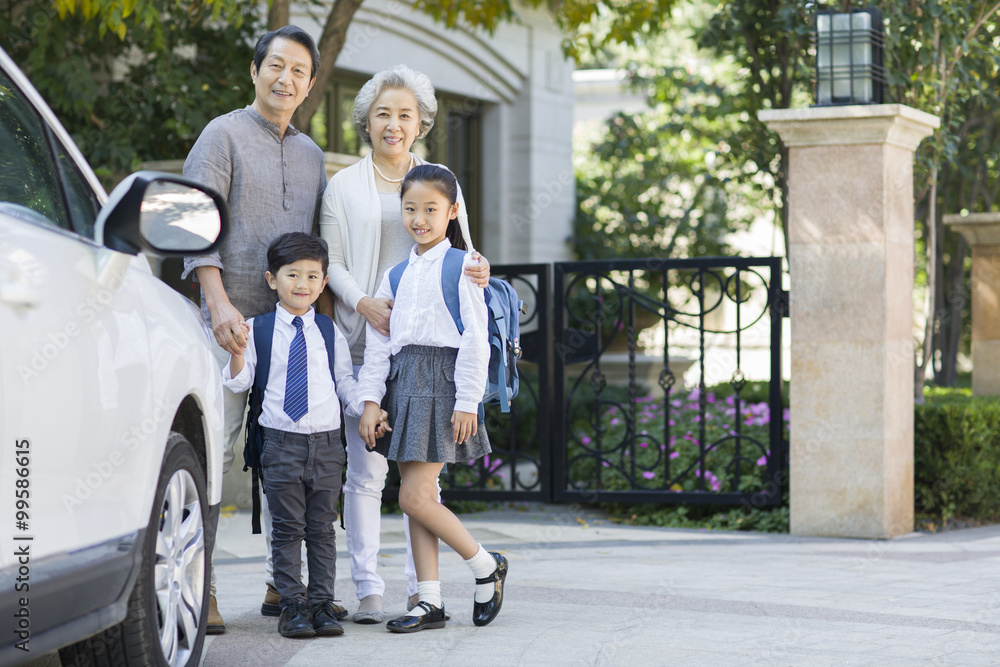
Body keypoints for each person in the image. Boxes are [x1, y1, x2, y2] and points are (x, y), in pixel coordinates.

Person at [319, 64, 490, 624]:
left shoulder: (440, 184)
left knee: (417, 488)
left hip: (435, 365)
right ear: (366, 121)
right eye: (382, 114)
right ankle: (382, 587)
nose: (393, 124)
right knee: (371, 477)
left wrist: (481, 269)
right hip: (373, 340)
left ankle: (446, 583)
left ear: (420, 124)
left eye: (404, 115)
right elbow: (334, 262)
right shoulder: (343, 186)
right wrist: (364, 302)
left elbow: (468, 262)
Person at [181, 25, 332, 632]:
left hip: (291, 335)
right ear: (254, 70)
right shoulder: (222, 135)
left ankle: (283, 585)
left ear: (310, 83)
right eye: (275, 65)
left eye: (298, 70)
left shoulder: (313, 154)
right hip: (229, 329)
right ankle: (201, 586)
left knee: (287, 459)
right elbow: (194, 227)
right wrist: (217, 305)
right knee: (213, 458)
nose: (285, 78)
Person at [357, 164, 508, 633]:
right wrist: (370, 401)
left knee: (415, 495)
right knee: (414, 497)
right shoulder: (396, 275)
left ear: (452, 211)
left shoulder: (465, 266)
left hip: (444, 382)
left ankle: (486, 565)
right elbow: (379, 344)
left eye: (430, 209)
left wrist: (468, 400)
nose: (419, 218)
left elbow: (476, 338)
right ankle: (431, 601)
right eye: (410, 209)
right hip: (403, 384)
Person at [222, 233, 385, 638]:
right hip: (279, 443)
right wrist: (238, 349)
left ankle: (321, 603)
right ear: (271, 279)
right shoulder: (257, 329)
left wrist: (366, 407)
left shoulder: (329, 332)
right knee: (287, 528)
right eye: (292, 274)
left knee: (323, 528)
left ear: (324, 281)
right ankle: (292, 605)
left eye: (313, 276)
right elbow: (240, 382)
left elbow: (343, 382)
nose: (303, 284)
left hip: (328, 445)